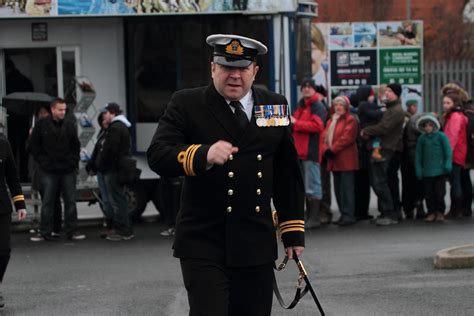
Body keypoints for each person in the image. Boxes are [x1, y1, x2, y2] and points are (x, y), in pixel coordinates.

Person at [147, 34, 305, 316]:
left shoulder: (274, 105)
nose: (234, 76)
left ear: (254, 71)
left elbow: (286, 172)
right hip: (203, 239)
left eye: (242, 69)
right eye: (226, 68)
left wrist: (292, 232)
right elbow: (158, 154)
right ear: (212, 69)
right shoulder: (187, 103)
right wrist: (202, 154)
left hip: (255, 239)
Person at [28, 98, 85, 241]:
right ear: (53, 109)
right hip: (49, 169)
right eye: (60, 110)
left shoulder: (69, 125)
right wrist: (44, 162)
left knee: (70, 201)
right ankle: (45, 231)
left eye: (64, 110)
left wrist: (73, 162)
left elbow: (75, 146)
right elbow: (33, 147)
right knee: (48, 201)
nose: (63, 112)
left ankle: (71, 230)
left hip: (67, 169)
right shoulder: (42, 125)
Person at [361, 83, 405, 226]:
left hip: (386, 148)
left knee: (380, 182)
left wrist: (366, 131)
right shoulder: (390, 108)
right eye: (386, 91)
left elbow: (384, 127)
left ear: (397, 94)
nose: (386, 93)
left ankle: (390, 213)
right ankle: (386, 212)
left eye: (390, 91)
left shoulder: (396, 110)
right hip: (381, 147)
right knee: (379, 181)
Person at [94, 103, 134, 241]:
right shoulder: (121, 126)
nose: (103, 116)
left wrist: (101, 163)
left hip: (113, 169)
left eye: (105, 113)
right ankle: (123, 229)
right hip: (116, 168)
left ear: (112, 113)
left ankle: (123, 230)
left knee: (117, 200)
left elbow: (110, 150)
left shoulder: (116, 128)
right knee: (118, 199)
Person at [291, 78, 326, 228]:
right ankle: (310, 216)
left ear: (314, 89)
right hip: (300, 152)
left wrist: (296, 123)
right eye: (304, 87)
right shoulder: (302, 106)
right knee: (306, 186)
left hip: (310, 152)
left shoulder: (317, 106)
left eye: (309, 87)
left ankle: (314, 218)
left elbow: (318, 126)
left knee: (313, 185)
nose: (306, 89)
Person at [321, 96, 358, 226]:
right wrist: (326, 149)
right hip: (334, 160)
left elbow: (347, 138)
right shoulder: (331, 120)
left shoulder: (350, 120)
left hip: (346, 160)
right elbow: (324, 137)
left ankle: (349, 215)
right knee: (338, 189)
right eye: (336, 105)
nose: (338, 107)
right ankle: (343, 214)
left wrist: (332, 149)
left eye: (341, 105)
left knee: (347, 189)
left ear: (346, 107)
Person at [0, 136, 27, 308]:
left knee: (3, 250)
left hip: (1, 207)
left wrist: (20, 204)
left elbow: (12, 175)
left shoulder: (2, 143)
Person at [415, 114, 452, 222]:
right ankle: (431, 212)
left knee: (440, 193)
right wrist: (419, 169)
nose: (427, 128)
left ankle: (440, 212)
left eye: (430, 125)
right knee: (428, 193)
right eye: (425, 126)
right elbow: (418, 155)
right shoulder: (422, 139)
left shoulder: (441, 136)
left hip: (440, 171)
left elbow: (447, 151)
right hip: (427, 171)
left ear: (435, 125)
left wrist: (447, 164)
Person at [86, 110, 115, 238]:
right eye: (102, 120)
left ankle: (115, 226)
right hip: (101, 171)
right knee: (106, 201)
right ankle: (110, 226)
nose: (104, 122)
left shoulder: (112, 133)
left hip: (109, 171)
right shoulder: (102, 134)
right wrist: (91, 166)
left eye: (106, 119)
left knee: (111, 199)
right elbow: (96, 153)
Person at [5, 59, 34, 183]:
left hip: (10, 120)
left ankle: (12, 176)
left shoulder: (6, 82)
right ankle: (23, 175)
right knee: (23, 150)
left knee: (11, 149)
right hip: (23, 120)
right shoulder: (25, 81)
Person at [354, 85, 380, 220]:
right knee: (370, 182)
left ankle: (361, 211)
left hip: (361, 149)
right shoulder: (365, 105)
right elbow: (377, 114)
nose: (373, 97)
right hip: (365, 149)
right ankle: (362, 211)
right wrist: (382, 110)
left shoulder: (359, 106)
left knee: (361, 184)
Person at [442, 93, 468, 219]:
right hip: (458, 152)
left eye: (448, 103)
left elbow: (452, 137)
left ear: (455, 103)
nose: (445, 105)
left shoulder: (455, 117)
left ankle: (456, 210)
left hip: (455, 153)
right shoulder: (455, 115)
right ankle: (457, 209)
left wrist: (447, 154)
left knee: (455, 181)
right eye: (444, 103)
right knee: (455, 181)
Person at [401, 100, 425, 219]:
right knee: (416, 184)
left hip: (407, 158)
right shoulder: (410, 120)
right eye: (413, 106)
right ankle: (416, 206)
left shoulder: (410, 120)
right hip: (411, 158)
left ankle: (409, 208)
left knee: (409, 185)